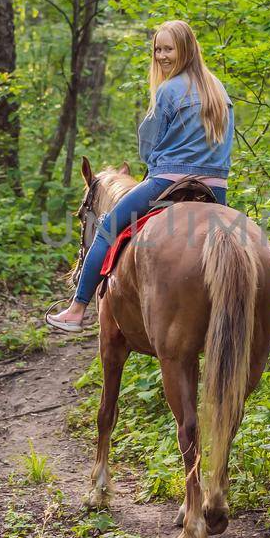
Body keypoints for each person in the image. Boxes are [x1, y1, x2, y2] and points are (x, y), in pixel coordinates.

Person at [45, 19, 233, 332]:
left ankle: (76, 310)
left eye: (168, 49)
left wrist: (157, 162)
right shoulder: (218, 88)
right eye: (157, 49)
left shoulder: (169, 90)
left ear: (185, 49)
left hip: (171, 180)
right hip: (216, 187)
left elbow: (148, 145)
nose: (161, 56)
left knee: (106, 227)